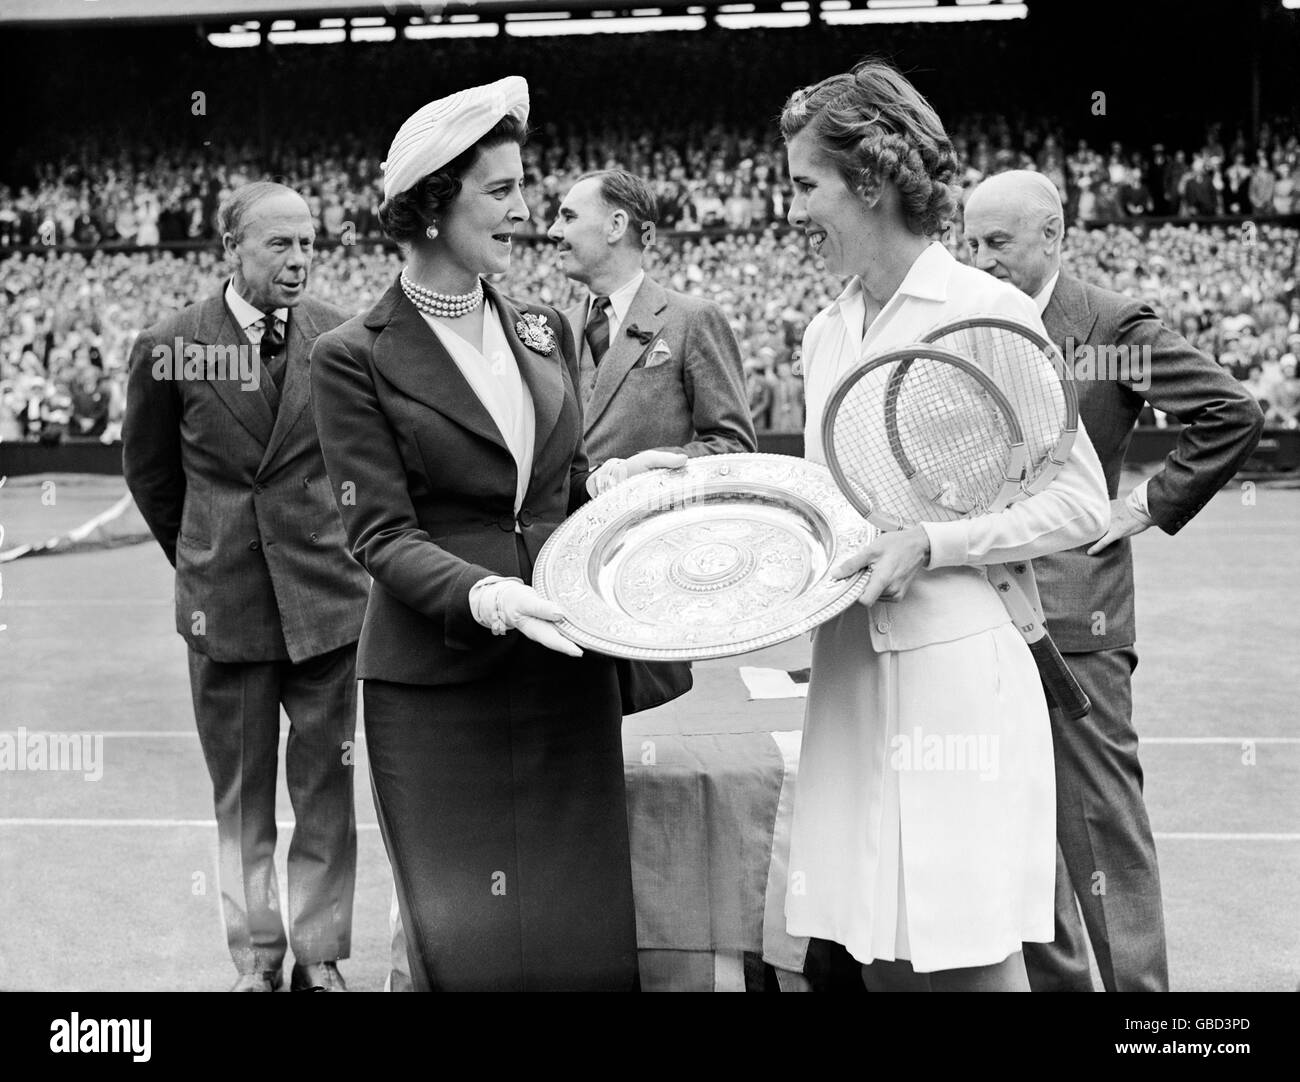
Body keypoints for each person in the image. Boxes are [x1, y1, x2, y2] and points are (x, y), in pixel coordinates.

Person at [310, 78, 681, 992]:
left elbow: (552, 484)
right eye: (502, 192)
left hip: (563, 666)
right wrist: (486, 595)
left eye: (524, 188)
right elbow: (380, 533)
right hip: (440, 687)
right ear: (433, 206)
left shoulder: (541, 325)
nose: (527, 214)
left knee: (581, 933)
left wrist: (613, 481)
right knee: (470, 951)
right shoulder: (351, 356)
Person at [778, 60, 1110, 992]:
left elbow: (1078, 500)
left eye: (808, 186)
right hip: (848, 675)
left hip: (957, 677)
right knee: (879, 950)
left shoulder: (986, 310)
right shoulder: (824, 330)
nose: (795, 211)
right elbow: (832, 502)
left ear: (871, 183)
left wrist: (934, 543)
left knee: (969, 954)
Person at [963, 169, 1265, 991]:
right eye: (969, 241)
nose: (977, 258)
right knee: (1017, 831)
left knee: (1102, 828)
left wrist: (1140, 508)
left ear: (1053, 236)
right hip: (969, 616)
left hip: (1075, 618)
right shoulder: (966, 315)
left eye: (997, 242)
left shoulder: (1099, 328)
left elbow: (1230, 413)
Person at [122, 181, 369, 992]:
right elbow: (152, 477)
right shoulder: (172, 345)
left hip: (325, 605)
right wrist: (205, 554)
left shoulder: (339, 333)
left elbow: (361, 465)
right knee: (241, 801)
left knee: (327, 787)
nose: (299, 260)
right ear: (230, 248)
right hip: (223, 609)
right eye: (279, 245)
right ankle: (258, 962)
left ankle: (322, 955)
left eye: (307, 244)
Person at [547, 168, 756, 723]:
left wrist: (646, 476)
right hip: (560, 584)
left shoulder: (691, 320)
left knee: (651, 765)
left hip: (646, 585)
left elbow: (732, 447)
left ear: (616, 225)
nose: (551, 230)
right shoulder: (549, 331)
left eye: (567, 216)